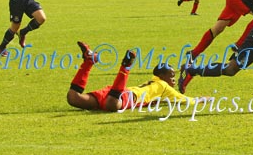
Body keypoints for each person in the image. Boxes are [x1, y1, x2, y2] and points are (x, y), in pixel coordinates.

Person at [67, 41, 198, 112]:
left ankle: (89, 61)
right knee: (112, 105)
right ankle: (126, 66)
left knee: (73, 98)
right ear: (162, 76)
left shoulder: (154, 81)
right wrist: (202, 100)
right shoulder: (163, 86)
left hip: (116, 91)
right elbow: (183, 99)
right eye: (171, 76)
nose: (174, 80)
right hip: (127, 97)